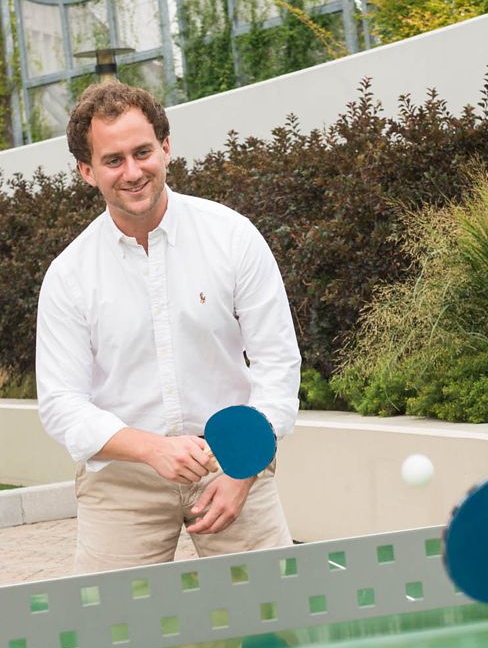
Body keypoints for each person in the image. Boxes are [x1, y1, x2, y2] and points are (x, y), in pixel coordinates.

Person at [36, 81, 302, 573]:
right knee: (115, 638)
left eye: (142, 152)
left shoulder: (233, 237)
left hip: (234, 459)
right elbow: (61, 403)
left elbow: (278, 363)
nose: (132, 172)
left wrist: (243, 470)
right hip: (124, 475)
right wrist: (152, 449)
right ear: (87, 171)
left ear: (166, 147)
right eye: (113, 160)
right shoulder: (69, 276)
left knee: (273, 624)